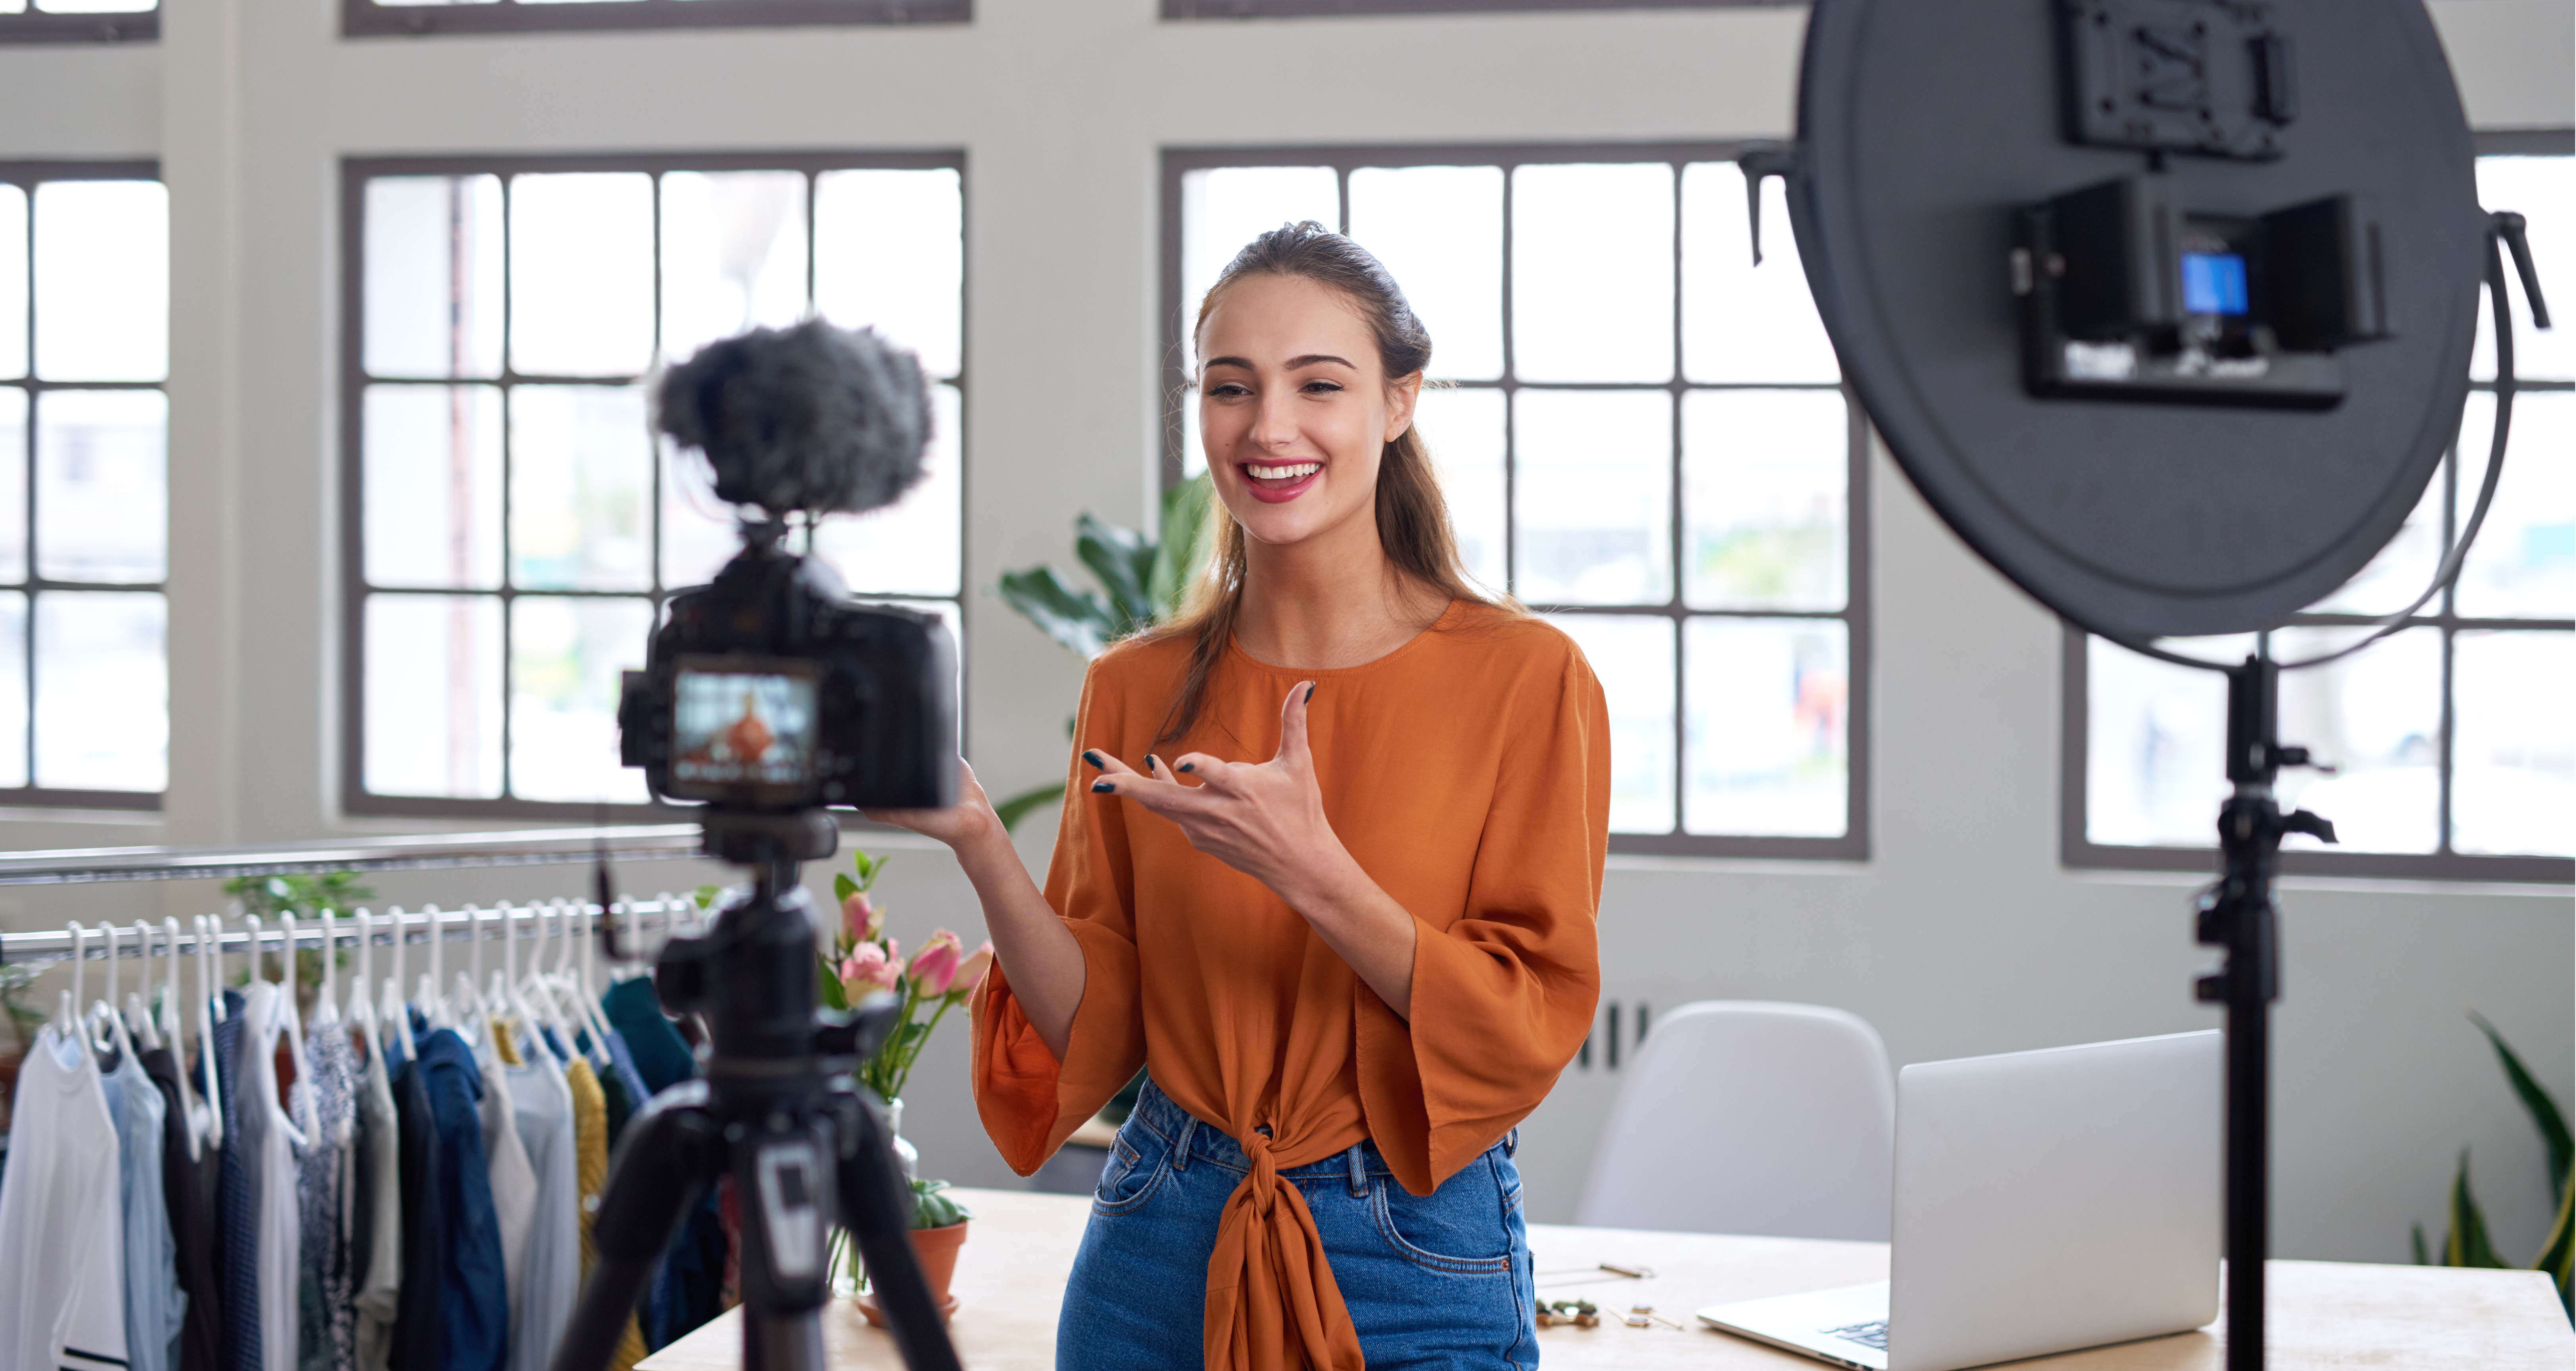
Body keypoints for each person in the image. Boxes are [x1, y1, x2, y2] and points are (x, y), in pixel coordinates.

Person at [873, 221, 1608, 1371]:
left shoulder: (1524, 677)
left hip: (1415, 1240)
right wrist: (977, 840)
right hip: (1160, 1226)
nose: (1269, 427)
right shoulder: (1136, 685)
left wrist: (1312, 871)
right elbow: (1089, 1024)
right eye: (1231, 386)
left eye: (1320, 383)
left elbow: (1524, 1016)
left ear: (1399, 401)